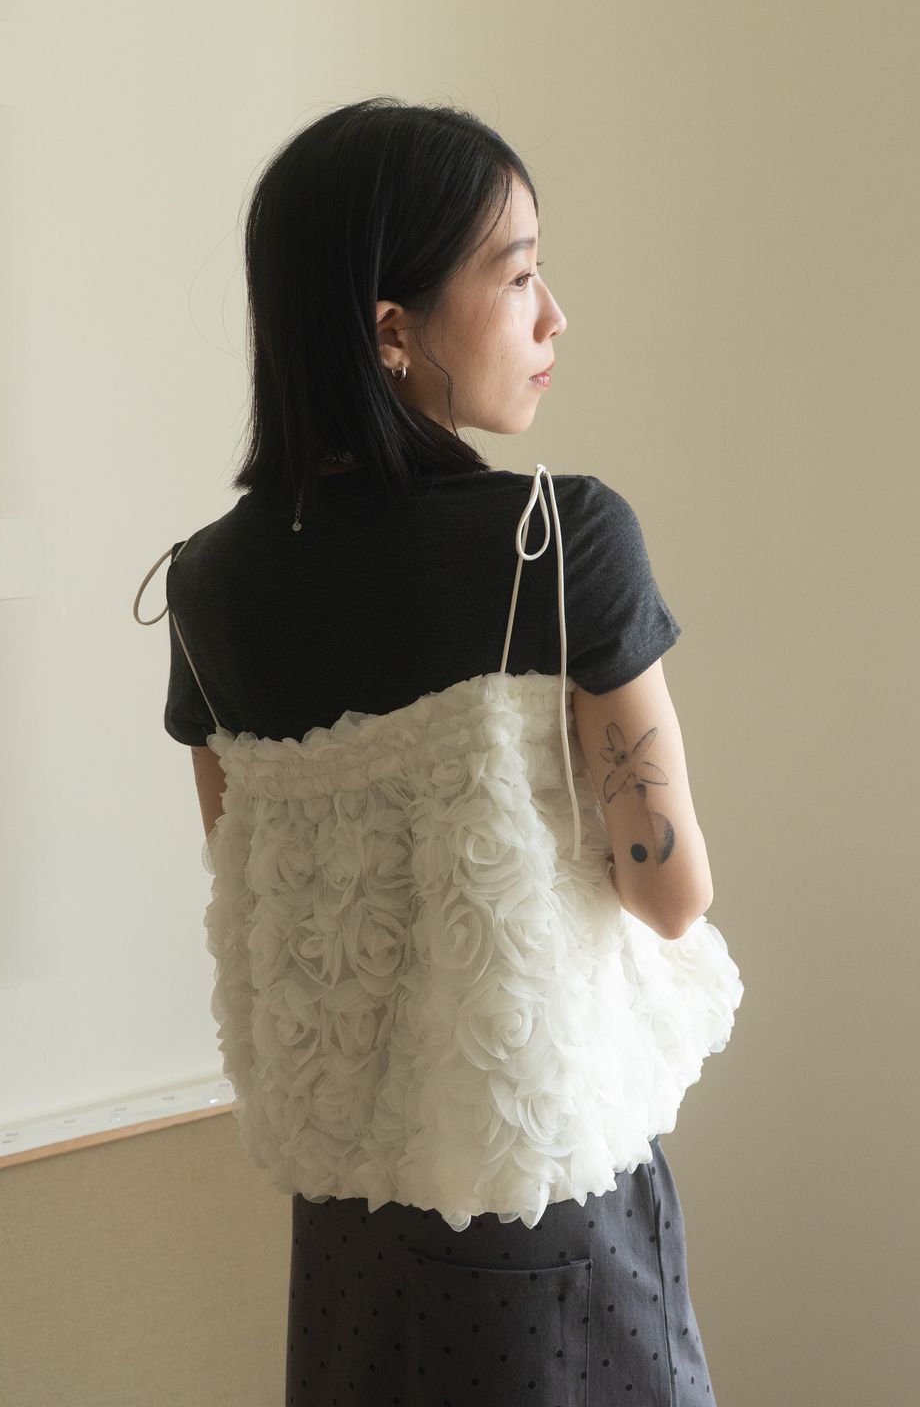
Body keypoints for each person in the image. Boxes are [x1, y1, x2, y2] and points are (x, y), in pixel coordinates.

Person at [146, 98, 735, 1404]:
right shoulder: (560, 540)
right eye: (518, 275)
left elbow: (250, 881)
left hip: (351, 1214)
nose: (554, 316)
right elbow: (669, 891)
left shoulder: (206, 586)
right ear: (392, 330)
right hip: (542, 1185)